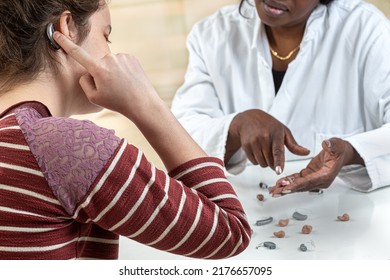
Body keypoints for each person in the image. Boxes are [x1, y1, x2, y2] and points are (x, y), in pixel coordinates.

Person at [0, 0, 251, 260]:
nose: (110, 52)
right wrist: (145, 103)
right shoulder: (63, 147)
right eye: (106, 35)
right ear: (66, 30)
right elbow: (230, 232)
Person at [171, 0, 390, 195]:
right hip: (245, 215)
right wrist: (235, 126)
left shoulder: (365, 29)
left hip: (350, 215)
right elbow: (178, 136)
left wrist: (352, 152)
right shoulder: (212, 34)